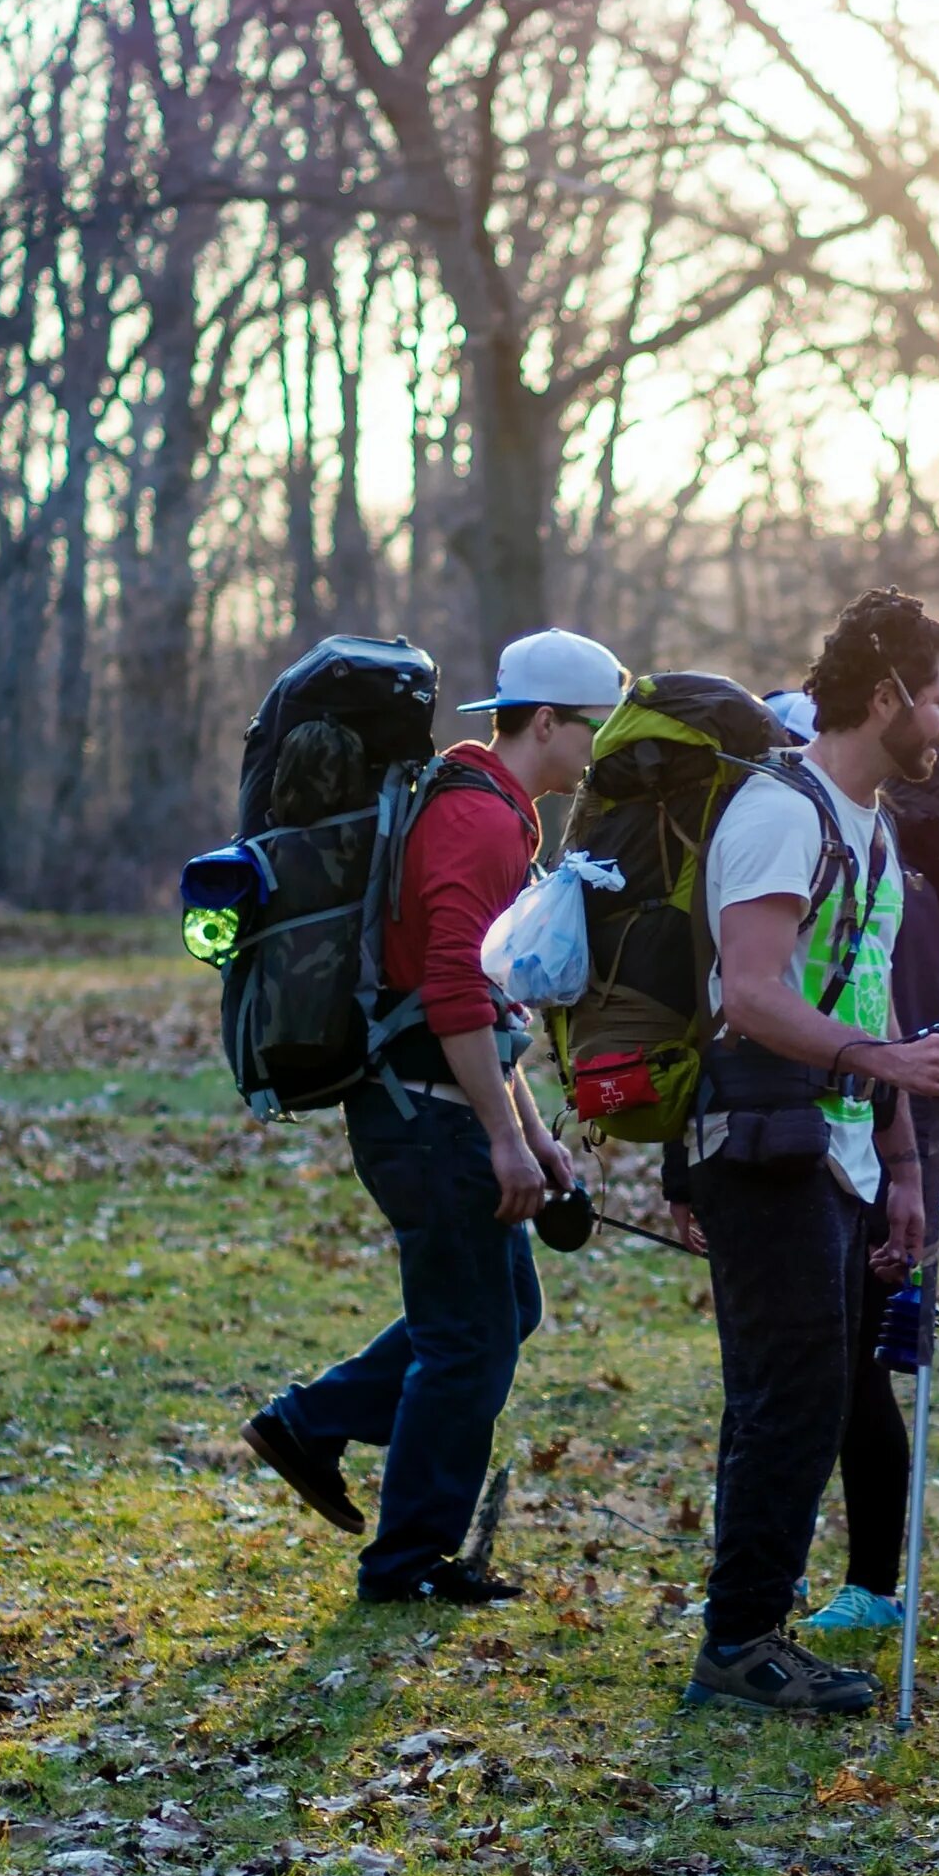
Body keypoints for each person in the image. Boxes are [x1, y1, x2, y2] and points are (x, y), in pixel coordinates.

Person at [243, 629, 623, 1604]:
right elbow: (454, 993)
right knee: (469, 1343)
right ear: (547, 721)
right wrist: (503, 1137)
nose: (598, 751)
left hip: (439, 1103)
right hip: (429, 1118)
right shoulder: (481, 824)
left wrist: (535, 1133)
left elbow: (490, 1008)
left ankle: (311, 1422)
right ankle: (406, 1559)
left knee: (503, 1313)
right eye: (593, 730)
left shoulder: (485, 807)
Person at [671, 591, 939, 1713]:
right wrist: (883, 1065)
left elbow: (864, 990)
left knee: (802, 1391)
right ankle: (741, 1640)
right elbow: (750, 992)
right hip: (759, 1138)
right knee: (788, 1394)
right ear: (887, 695)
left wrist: (899, 1163)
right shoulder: (781, 812)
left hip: (837, 1147)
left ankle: (747, 1629)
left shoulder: (875, 827)